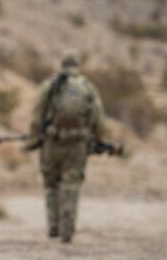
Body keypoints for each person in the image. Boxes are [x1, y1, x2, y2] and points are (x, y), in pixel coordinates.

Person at [27, 50, 107, 243]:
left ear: (62, 66)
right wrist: (98, 140)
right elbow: (98, 117)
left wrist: (35, 139)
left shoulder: (51, 86)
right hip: (77, 144)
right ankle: (68, 229)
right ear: (77, 68)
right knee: (71, 184)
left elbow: (37, 114)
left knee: (51, 184)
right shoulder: (87, 87)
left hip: (52, 143)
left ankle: (53, 226)